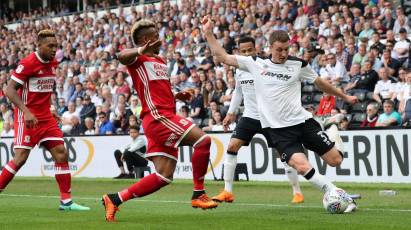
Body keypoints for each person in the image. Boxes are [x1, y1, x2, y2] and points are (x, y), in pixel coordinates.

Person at [203, 18, 358, 212]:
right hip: (279, 131)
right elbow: (223, 56)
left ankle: (331, 128)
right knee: (301, 166)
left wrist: (344, 95)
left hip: (303, 122)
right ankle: (335, 193)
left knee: (336, 161)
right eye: (279, 49)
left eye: (287, 49)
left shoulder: (298, 64)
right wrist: (208, 32)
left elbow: (319, 83)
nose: (284, 53)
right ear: (270, 47)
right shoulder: (254, 64)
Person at [102, 19, 218, 222]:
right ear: (146, 40)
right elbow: (120, 56)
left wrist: (177, 95)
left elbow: (157, 90)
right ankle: (198, 193)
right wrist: (139, 50)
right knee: (203, 141)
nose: (160, 38)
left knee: (164, 176)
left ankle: (115, 199)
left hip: (163, 116)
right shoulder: (137, 60)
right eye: (155, 35)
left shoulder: (160, 61)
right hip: (158, 117)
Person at [0, 30, 89, 211]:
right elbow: (9, 90)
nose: (54, 50)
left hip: (46, 118)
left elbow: (44, 90)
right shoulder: (28, 63)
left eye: (55, 46)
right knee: (20, 159)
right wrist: (26, 112)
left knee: (61, 153)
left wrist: (50, 109)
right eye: (50, 46)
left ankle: (66, 202)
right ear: (38, 46)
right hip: (27, 118)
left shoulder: (53, 63)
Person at [211, 36, 304, 204]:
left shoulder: (265, 66)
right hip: (250, 115)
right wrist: (231, 112)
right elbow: (238, 91)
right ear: (238, 51)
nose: (247, 53)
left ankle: (297, 192)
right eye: (243, 51)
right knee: (232, 146)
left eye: (250, 50)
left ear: (257, 49)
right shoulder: (239, 69)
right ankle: (227, 191)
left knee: (284, 155)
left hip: (270, 117)